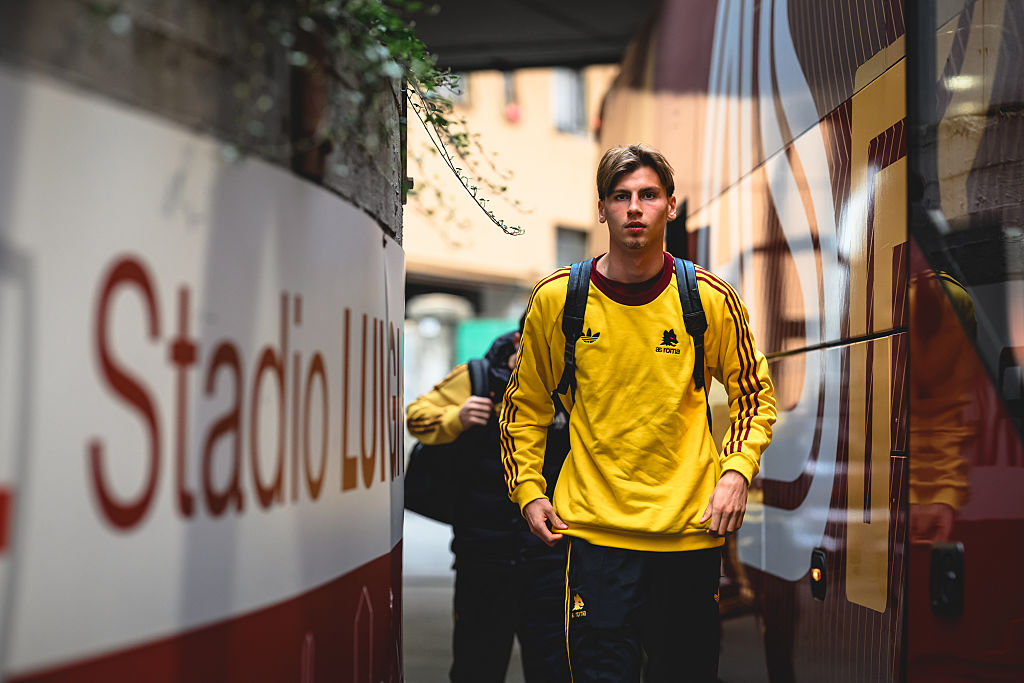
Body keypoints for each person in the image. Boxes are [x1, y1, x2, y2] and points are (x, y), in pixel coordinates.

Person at [499, 143, 777, 682]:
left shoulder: (708, 298)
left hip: (689, 534)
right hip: (596, 539)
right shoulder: (559, 299)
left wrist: (736, 474)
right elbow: (524, 404)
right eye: (620, 196)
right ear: (601, 208)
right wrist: (528, 490)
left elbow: (754, 395)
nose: (634, 207)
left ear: (670, 206)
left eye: (648, 195)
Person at [407, 325, 570, 683]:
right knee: (477, 666)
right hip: (482, 553)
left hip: (552, 557)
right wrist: (457, 417)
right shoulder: (476, 377)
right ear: (518, 340)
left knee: (554, 668)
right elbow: (415, 416)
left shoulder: (571, 382)